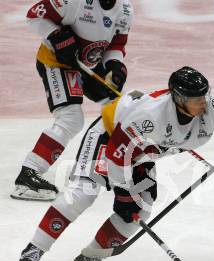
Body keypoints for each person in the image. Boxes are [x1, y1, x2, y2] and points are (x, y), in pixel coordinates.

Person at [16, 66, 214, 261]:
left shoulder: (210, 108)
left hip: (141, 154)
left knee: (139, 211)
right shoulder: (150, 117)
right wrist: (124, 190)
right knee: (83, 192)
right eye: (196, 99)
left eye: (204, 96)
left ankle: (90, 258)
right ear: (179, 99)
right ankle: (34, 250)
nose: (203, 102)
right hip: (108, 138)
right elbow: (116, 155)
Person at [11, 0, 133, 201]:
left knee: (121, 108)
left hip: (88, 66)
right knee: (71, 118)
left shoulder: (125, 8)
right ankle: (28, 173)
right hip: (57, 62)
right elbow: (34, 15)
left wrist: (115, 65)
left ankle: (90, 170)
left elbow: (117, 44)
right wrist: (57, 36)